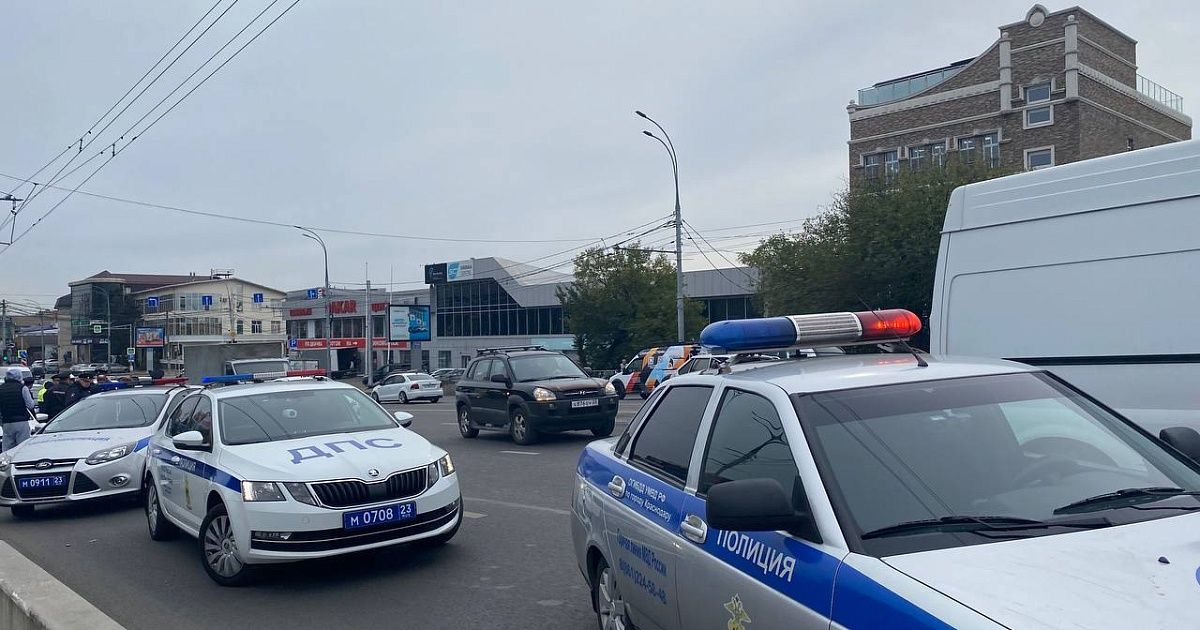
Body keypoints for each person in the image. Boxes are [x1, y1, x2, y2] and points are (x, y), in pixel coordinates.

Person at [1, 367, 35, 451]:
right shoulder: (23, 388)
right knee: (22, 448)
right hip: (21, 421)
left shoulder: (1, 389)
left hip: (7, 422)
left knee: (7, 448)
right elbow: (30, 405)